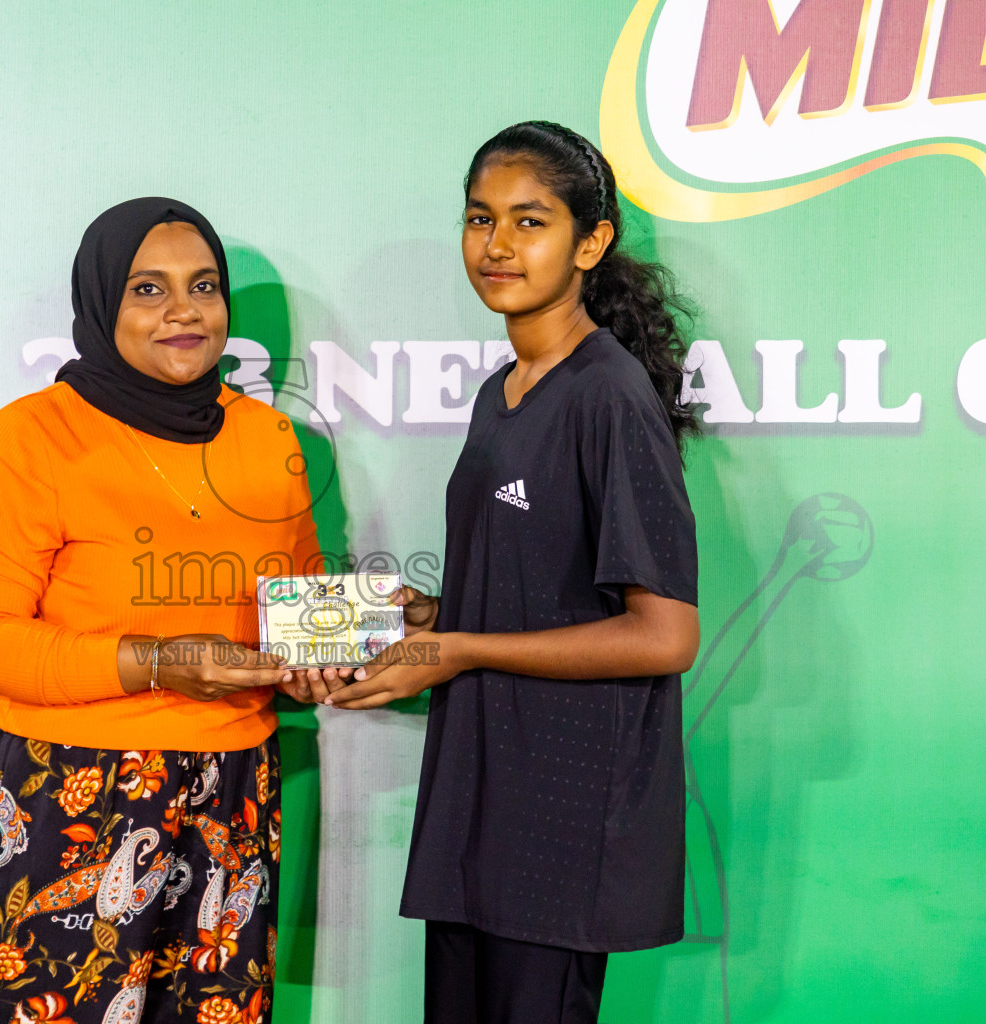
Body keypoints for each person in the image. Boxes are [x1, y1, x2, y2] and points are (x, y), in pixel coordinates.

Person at [312, 122, 701, 1024]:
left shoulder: (608, 395)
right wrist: (431, 617)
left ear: (590, 243)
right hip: (480, 807)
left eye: (530, 222)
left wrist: (454, 646)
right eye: (479, 218)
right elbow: (551, 592)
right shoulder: (504, 390)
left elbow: (665, 633)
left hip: (559, 828)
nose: (496, 245)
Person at [0, 197, 319, 1024]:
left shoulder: (273, 441)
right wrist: (156, 660)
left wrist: (347, 648)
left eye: (204, 286)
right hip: (72, 794)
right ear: (104, 304)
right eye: (148, 289)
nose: (184, 310)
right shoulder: (33, 436)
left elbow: (289, 616)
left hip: (233, 799)